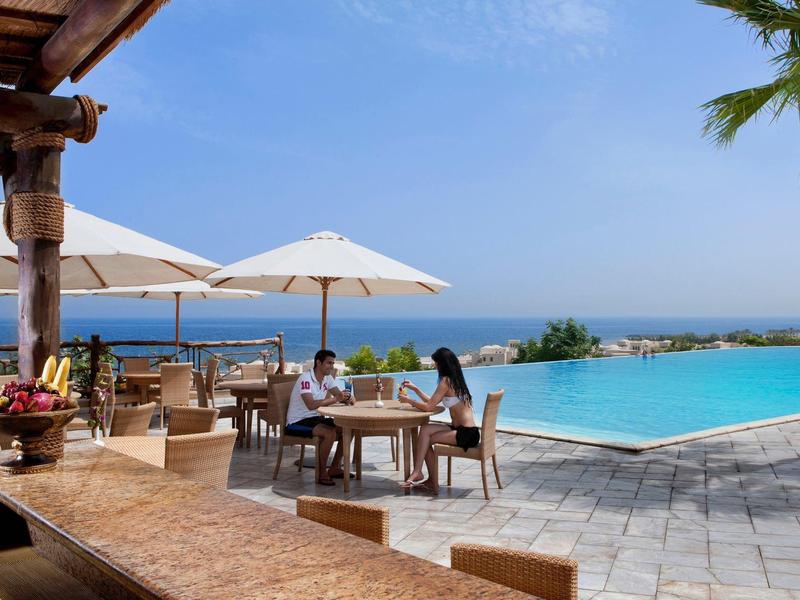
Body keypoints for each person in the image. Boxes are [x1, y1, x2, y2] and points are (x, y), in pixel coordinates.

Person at [397, 347, 479, 493]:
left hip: (466, 434)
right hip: (461, 429)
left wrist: (409, 401)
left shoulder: (446, 381)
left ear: (442, 364)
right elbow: (433, 402)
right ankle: (426, 477)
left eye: (436, 363)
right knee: (425, 430)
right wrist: (416, 390)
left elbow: (428, 407)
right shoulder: (456, 379)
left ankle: (419, 473)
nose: (435, 366)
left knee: (426, 438)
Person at [285, 349, 354, 486]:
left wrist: (348, 396)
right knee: (329, 432)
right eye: (329, 363)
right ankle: (322, 473)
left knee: (347, 429)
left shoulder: (327, 378)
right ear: (318, 362)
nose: (332, 366)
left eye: (333, 363)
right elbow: (311, 405)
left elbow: (340, 396)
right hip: (297, 421)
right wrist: (336, 399)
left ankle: (334, 468)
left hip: (314, 418)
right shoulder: (306, 379)